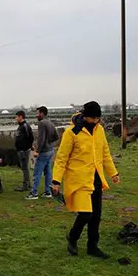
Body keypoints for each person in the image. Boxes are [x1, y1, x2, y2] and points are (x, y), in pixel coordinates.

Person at [52, 101, 120, 259]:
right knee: (86, 214)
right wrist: (56, 181)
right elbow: (61, 158)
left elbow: (105, 154)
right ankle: (73, 237)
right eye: (93, 118)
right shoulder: (72, 132)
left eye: (98, 118)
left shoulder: (100, 130)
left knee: (96, 215)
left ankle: (92, 246)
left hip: (96, 178)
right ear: (85, 116)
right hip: (79, 179)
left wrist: (113, 173)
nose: (96, 121)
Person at [26, 106, 59, 200]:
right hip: (50, 150)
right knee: (48, 172)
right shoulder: (50, 122)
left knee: (37, 173)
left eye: (37, 113)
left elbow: (41, 139)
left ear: (42, 113)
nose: (36, 115)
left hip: (44, 152)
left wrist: (37, 151)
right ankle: (48, 192)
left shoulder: (41, 123)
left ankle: (34, 193)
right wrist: (49, 142)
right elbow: (56, 137)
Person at [14, 110, 34, 192]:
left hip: (23, 150)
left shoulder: (25, 126)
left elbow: (31, 137)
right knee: (25, 167)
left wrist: (28, 147)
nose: (15, 119)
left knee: (24, 168)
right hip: (21, 149)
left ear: (20, 116)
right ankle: (27, 183)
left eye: (16, 117)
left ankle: (25, 185)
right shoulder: (22, 126)